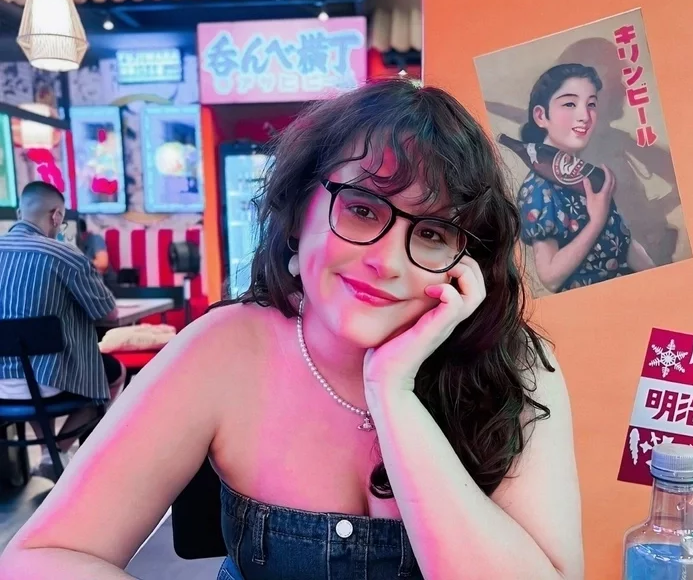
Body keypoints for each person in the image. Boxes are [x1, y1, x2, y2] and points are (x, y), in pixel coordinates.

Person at [0, 82, 583, 580]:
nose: (387, 261)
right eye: (362, 209)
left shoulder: (515, 366)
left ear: (466, 260)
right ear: (298, 211)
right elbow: (40, 557)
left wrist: (393, 393)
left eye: (432, 233)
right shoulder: (226, 349)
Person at [0, 182, 125, 479]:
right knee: (113, 373)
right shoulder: (64, 255)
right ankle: (55, 451)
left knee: (30, 367)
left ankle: (49, 455)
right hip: (45, 383)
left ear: (19, 213)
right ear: (56, 216)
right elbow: (109, 315)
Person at [518, 63, 655, 293]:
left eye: (591, 104)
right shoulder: (539, 189)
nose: (584, 116)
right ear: (541, 116)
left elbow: (625, 245)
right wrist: (596, 222)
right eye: (570, 104)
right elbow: (550, 278)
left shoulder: (588, 174)